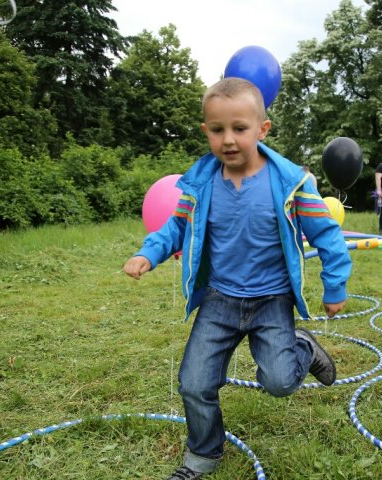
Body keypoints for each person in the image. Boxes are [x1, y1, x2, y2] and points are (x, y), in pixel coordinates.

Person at [123, 78, 352, 479]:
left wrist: (334, 285)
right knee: (194, 383)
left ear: (262, 129)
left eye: (239, 128)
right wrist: (148, 253)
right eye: (217, 130)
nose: (228, 139)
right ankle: (204, 452)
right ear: (205, 131)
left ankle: (303, 348)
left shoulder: (290, 184)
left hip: (271, 301)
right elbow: (175, 228)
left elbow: (328, 235)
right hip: (219, 300)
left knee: (280, 382)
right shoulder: (201, 184)